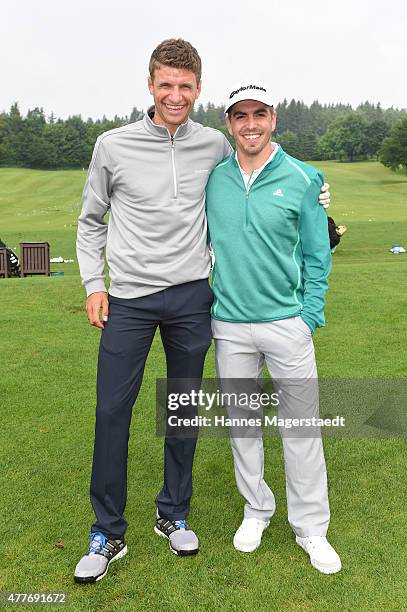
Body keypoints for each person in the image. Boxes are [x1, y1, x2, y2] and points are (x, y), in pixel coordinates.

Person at [74, 39, 331, 584]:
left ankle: (174, 514)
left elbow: (269, 169)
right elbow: (91, 219)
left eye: (185, 86)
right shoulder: (112, 146)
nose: (175, 95)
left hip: (193, 299)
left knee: (183, 410)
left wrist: (316, 191)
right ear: (150, 85)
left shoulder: (211, 144)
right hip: (132, 299)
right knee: (111, 412)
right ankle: (107, 532)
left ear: (198, 90)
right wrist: (94, 283)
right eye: (165, 84)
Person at [206, 82, 342, 574]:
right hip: (230, 325)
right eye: (240, 116)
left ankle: (311, 529)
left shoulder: (305, 178)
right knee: (243, 427)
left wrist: (308, 316)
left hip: (287, 324)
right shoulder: (214, 178)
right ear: (229, 123)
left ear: (273, 118)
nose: (250, 124)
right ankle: (256, 509)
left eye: (258, 114)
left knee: (301, 429)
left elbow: (316, 253)